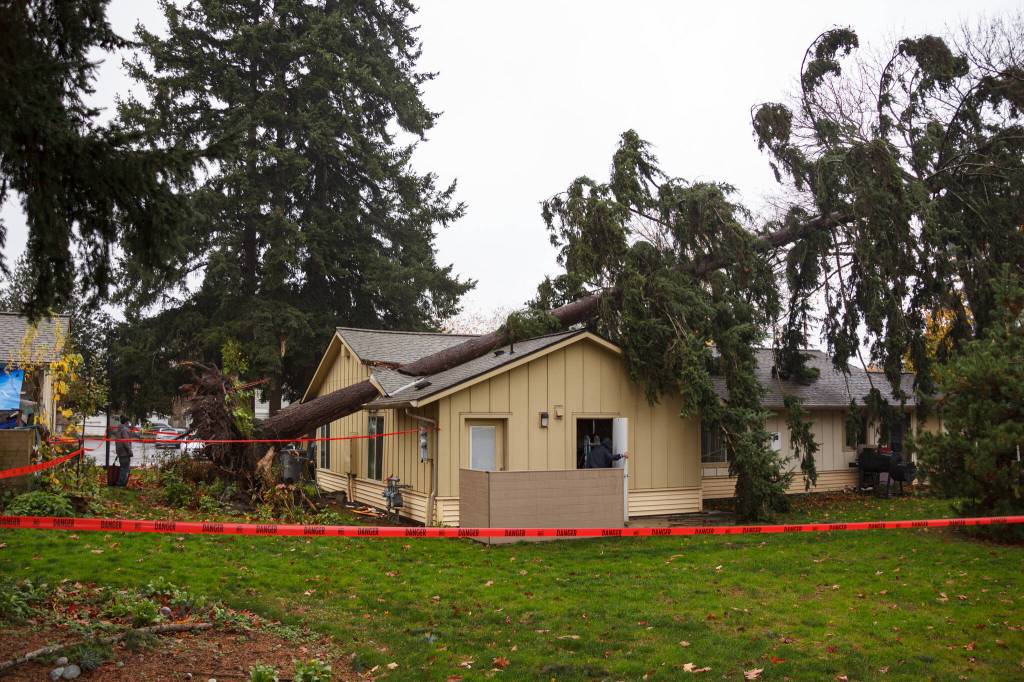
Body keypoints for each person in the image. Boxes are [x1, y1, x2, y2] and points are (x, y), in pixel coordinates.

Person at [114, 415, 134, 487]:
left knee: (123, 468)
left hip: (120, 452)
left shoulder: (119, 429)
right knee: (125, 469)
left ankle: (121, 483)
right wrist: (130, 451)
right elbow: (126, 442)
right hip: (125, 452)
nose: (129, 423)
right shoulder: (125, 430)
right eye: (128, 422)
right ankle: (120, 484)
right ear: (126, 422)